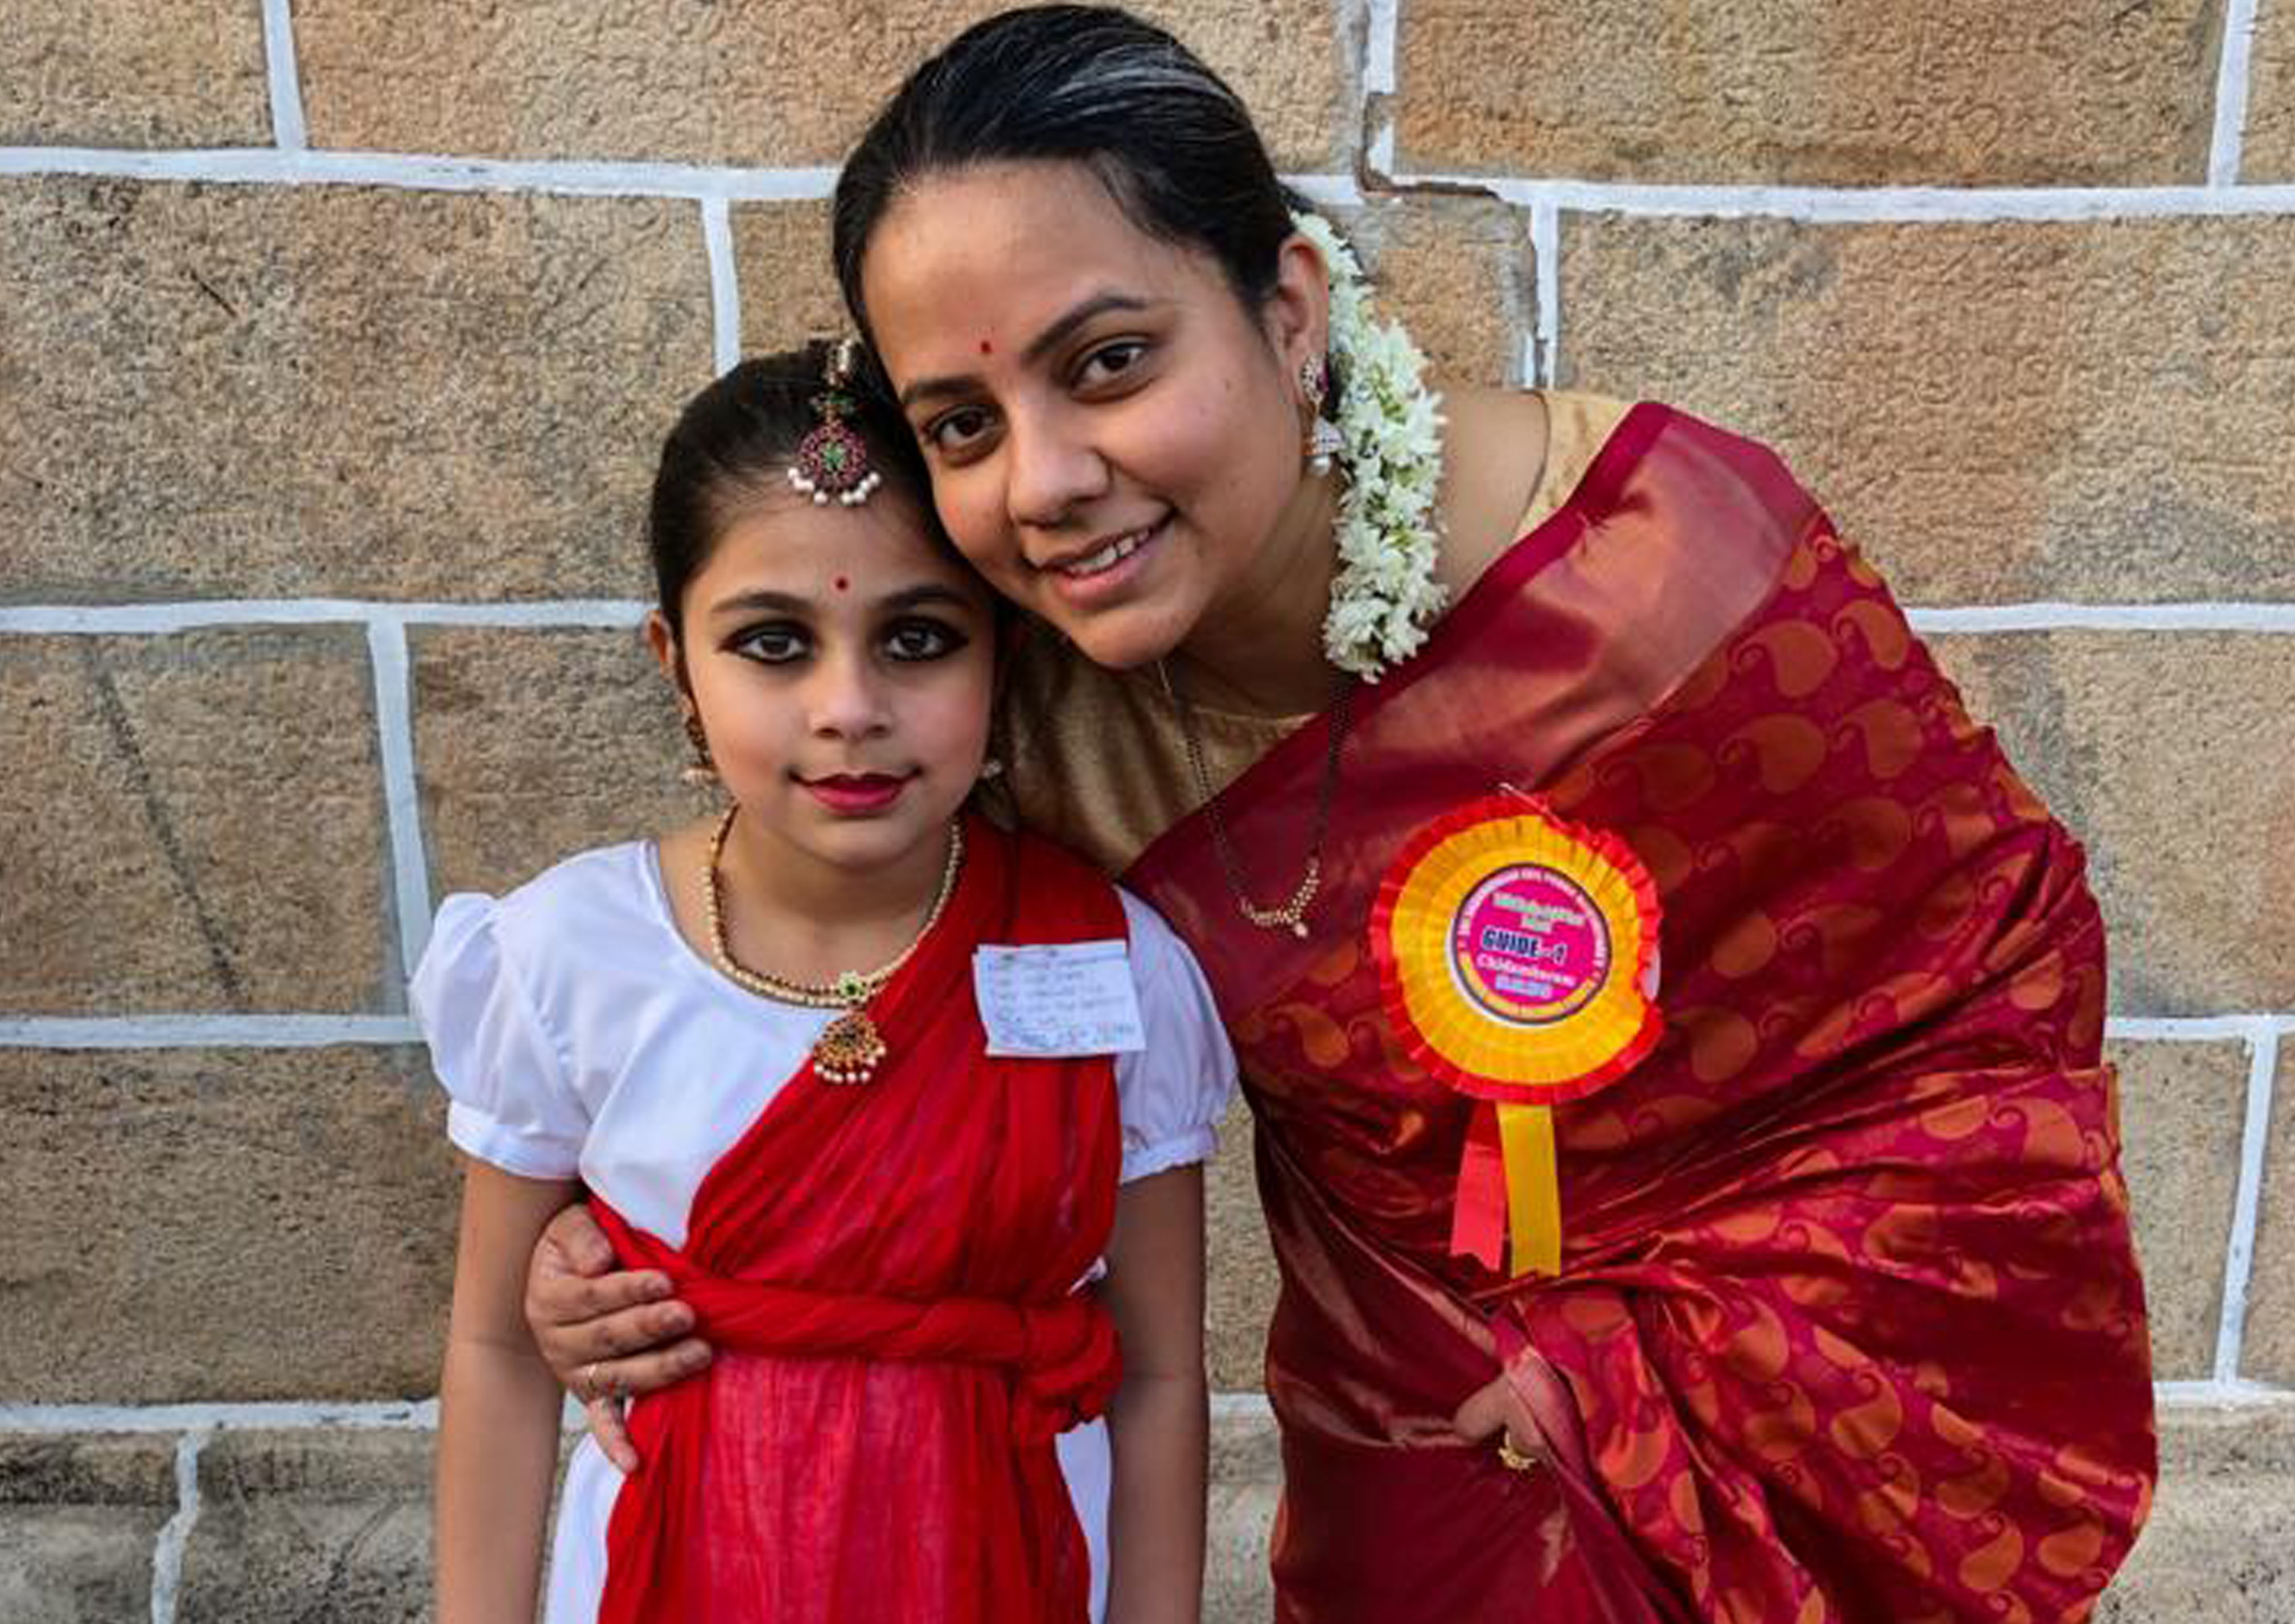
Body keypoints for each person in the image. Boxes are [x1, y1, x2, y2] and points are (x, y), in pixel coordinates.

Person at [523, 10, 2158, 1620]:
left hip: (1760, 1426)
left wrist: (1644, 1353)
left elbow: (1987, 1001)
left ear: (1291, 310)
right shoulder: (1010, 700)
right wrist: (609, 1253)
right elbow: (842, 991)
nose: (1044, 482)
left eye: (1111, 363)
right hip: (1407, 1440)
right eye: (964, 422)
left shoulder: (1661, 571)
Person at [419, 339, 1234, 1624]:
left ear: (1004, 660)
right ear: (676, 661)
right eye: (773, 642)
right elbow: (498, 1348)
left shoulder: (1109, 961)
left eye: (917, 637)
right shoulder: (567, 954)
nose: (849, 705)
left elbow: (1157, 1376)